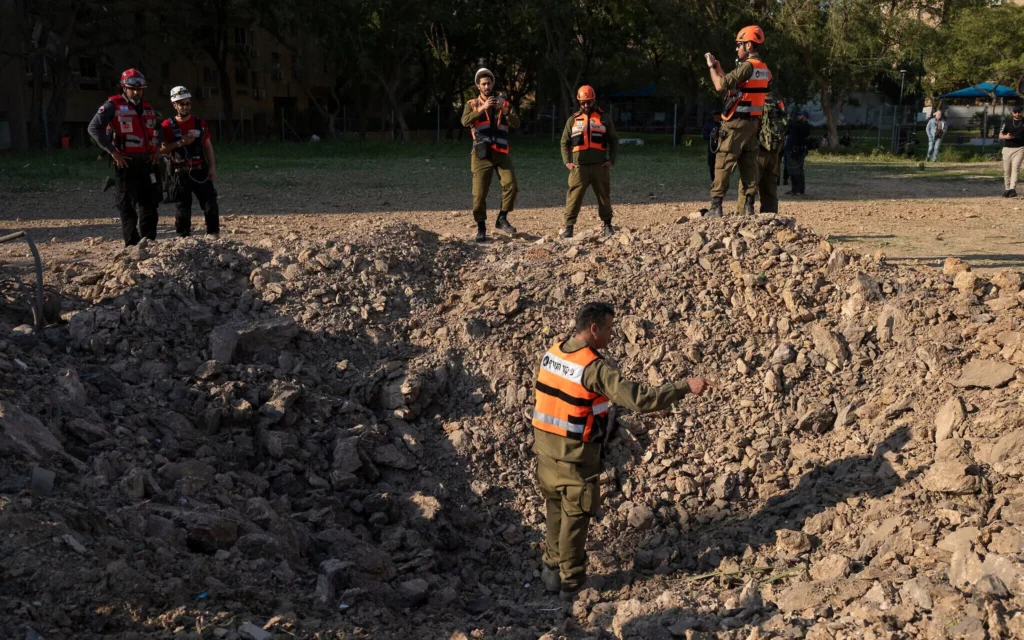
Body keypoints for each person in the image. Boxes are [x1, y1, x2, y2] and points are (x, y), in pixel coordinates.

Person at [532, 302, 710, 599]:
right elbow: (640, 400)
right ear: (594, 329)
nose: (613, 335)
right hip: (575, 459)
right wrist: (683, 387)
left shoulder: (555, 351)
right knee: (575, 519)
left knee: (555, 513)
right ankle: (572, 585)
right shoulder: (593, 368)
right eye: (610, 329)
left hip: (545, 454)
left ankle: (551, 573)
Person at [87, 68, 162, 246]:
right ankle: (132, 245)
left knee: (150, 205)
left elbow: (158, 128)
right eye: (132, 89)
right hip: (126, 163)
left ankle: (149, 242)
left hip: (148, 163)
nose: (137, 92)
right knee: (127, 205)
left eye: (140, 89)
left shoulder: (147, 107)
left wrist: (157, 147)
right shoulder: (112, 105)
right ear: (124, 88)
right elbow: (94, 128)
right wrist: (112, 151)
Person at [704, 26, 771, 217]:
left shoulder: (747, 66)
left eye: (739, 45)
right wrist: (719, 68)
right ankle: (749, 206)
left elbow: (719, 86)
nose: (737, 49)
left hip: (736, 123)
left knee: (724, 160)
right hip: (752, 124)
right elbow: (733, 86)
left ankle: (716, 206)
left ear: (749, 45)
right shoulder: (763, 68)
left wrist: (710, 67)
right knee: (749, 163)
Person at [461, 68, 520, 242]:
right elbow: (464, 121)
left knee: (511, 185)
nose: (487, 86)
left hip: (501, 152)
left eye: (489, 83)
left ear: (493, 84)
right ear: (478, 86)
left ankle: (502, 218)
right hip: (481, 154)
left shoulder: (504, 102)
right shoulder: (471, 104)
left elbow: (516, 124)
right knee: (479, 195)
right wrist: (483, 108)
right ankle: (481, 227)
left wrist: (506, 110)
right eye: (483, 84)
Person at [159, 86, 220, 238]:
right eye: (182, 104)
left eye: (188, 103)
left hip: (200, 171)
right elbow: (161, 149)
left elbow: (208, 146)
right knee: (182, 207)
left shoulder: (200, 123)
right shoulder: (167, 126)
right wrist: (180, 143)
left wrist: (212, 167)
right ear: (175, 105)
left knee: (210, 203)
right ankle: (184, 237)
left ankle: (213, 234)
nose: (185, 107)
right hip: (180, 173)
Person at [560, 85, 619, 239]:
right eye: (583, 102)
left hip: (600, 166)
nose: (586, 105)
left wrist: (611, 160)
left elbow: (614, 140)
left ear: (594, 100)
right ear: (579, 102)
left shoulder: (604, 118)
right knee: (574, 197)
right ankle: (569, 227)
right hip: (579, 168)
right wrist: (567, 162)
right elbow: (564, 142)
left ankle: (607, 225)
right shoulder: (572, 120)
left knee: (603, 196)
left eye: (589, 102)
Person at [737, 93, 786, 214]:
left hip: (757, 150)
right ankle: (770, 218)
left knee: (747, 185)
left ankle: (743, 217)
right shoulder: (777, 101)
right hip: (774, 151)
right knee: (770, 187)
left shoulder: (753, 100)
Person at [998, 105, 1024, 198]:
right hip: (1007, 148)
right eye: (1016, 112)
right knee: (1006, 170)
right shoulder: (1007, 122)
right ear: (1013, 113)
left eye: (1019, 112)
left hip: (1020, 148)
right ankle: (1007, 189)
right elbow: (1000, 135)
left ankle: (1013, 189)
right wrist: (1006, 137)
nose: (1018, 114)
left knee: (1015, 168)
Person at [784, 110, 811, 196]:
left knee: (797, 171)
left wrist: (788, 119)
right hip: (791, 150)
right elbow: (789, 126)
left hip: (798, 151)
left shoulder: (805, 126)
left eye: (799, 115)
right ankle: (794, 189)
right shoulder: (796, 125)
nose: (797, 117)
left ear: (804, 116)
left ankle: (800, 190)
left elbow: (794, 125)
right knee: (791, 171)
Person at [702, 110, 723, 182]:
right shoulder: (708, 124)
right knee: (712, 165)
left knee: (721, 166)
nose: (717, 118)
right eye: (715, 116)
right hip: (712, 148)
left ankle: (719, 181)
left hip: (722, 148)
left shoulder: (724, 124)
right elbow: (704, 136)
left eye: (718, 116)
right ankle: (713, 181)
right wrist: (711, 136)